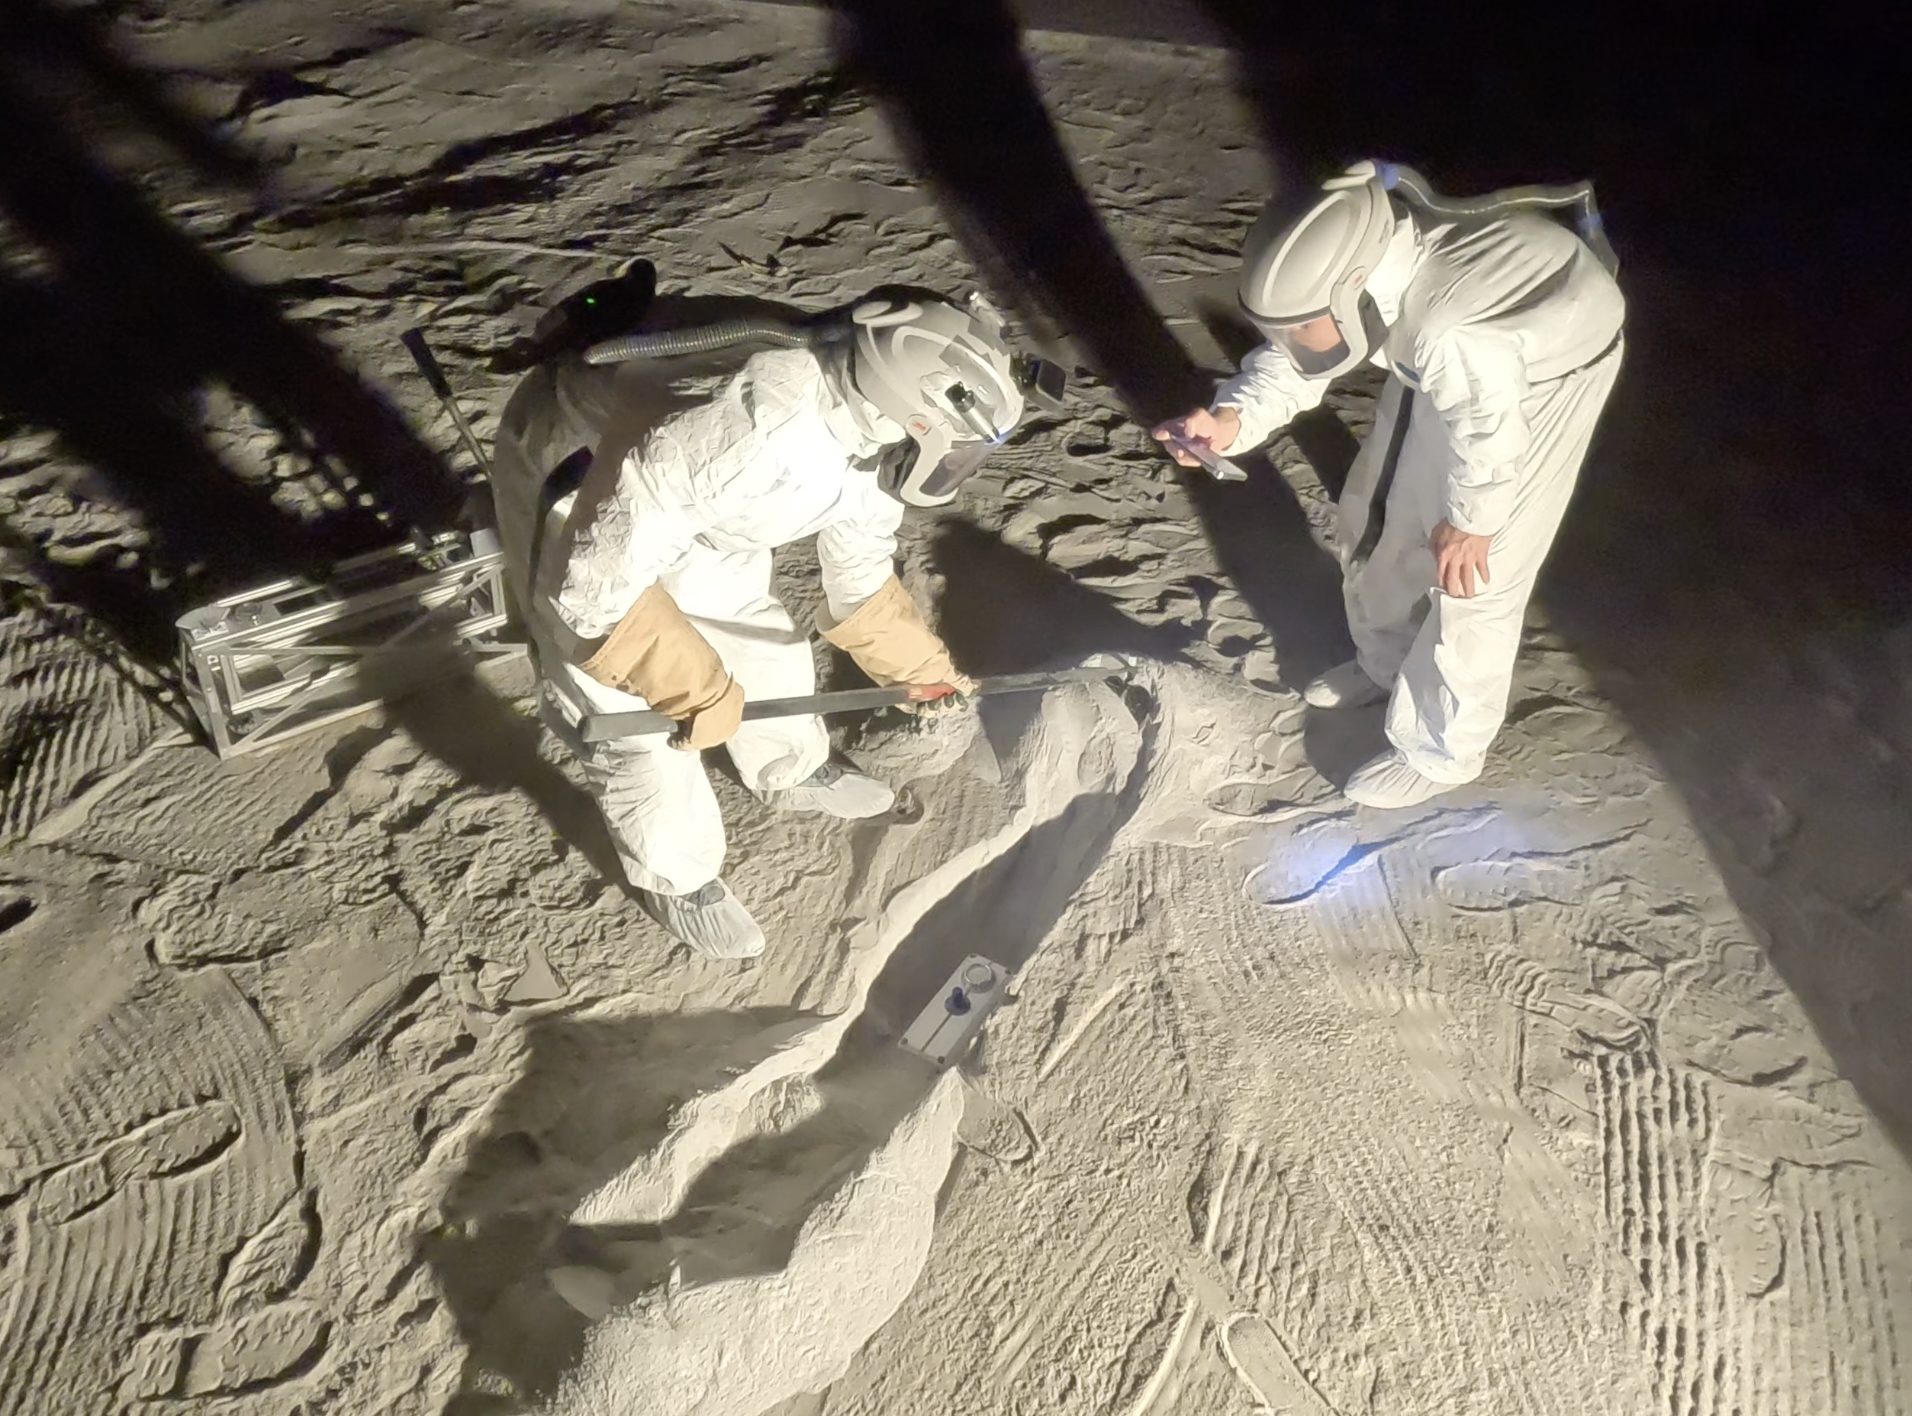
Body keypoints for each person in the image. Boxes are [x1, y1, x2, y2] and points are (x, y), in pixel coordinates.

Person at [492, 284, 1026, 958]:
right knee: (636, 720)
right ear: (914, 414)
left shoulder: (869, 426)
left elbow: (858, 563)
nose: (958, 463)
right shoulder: (753, 432)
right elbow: (594, 592)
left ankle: (788, 767)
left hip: (702, 505)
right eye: (958, 447)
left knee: (757, 634)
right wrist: (693, 690)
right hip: (580, 478)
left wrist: (919, 670)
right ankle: (678, 875)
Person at [1154, 160, 1626, 808]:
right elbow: (1302, 357)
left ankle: (1441, 753)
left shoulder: (1446, 331)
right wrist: (1233, 417)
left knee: (1475, 582)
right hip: (1463, 356)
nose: (1289, 339)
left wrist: (1474, 522)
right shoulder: (1379, 296)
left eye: (1298, 326)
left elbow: (1490, 429)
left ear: (1353, 290)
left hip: (1544, 376)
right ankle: (1384, 666)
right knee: (1376, 513)